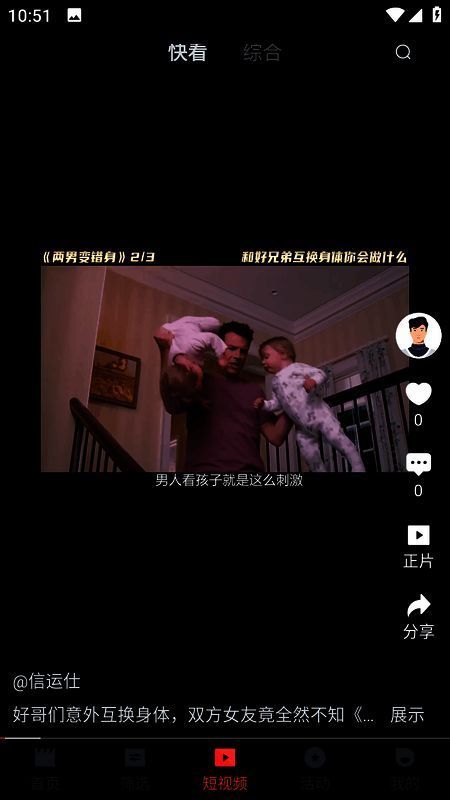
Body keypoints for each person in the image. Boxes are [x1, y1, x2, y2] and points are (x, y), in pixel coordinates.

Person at [155, 320, 292, 471]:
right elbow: (171, 405)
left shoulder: (255, 391)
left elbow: (275, 436)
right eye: (231, 348)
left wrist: (296, 400)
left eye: (243, 351)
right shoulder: (200, 381)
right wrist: (164, 351)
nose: (238, 356)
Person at [254, 337, 366, 473]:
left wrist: (313, 381)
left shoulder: (296, 368)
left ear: (283, 354)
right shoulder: (275, 382)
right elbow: (276, 404)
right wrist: (264, 404)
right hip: (302, 426)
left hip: (319, 414)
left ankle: (357, 465)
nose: (263, 362)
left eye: (266, 357)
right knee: (309, 453)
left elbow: (320, 373)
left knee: (337, 437)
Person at [155, 316, 227, 404]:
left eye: (200, 377)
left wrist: (222, 354)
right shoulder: (172, 365)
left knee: (216, 323)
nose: (202, 371)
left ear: (190, 368)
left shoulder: (192, 345)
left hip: (189, 324)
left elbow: (212, 338)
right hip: (178, 332)